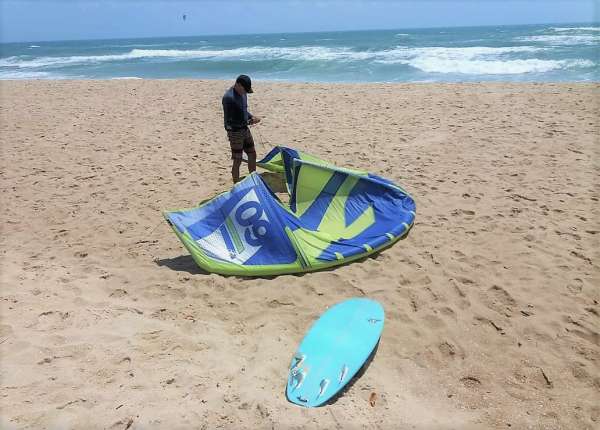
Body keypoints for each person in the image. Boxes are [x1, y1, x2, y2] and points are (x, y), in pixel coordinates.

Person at [222, 74, 261, 183]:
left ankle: (253, 180)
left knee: (252, 154)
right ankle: (236, 185)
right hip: (235, 132)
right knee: (237, 159)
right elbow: (232, 121)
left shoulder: (243, 94)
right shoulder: (228, 98)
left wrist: (251, 116)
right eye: (245, 90)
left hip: (244, 129)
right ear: (238, 85)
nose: (245, 93)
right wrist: (250, 121)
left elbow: (243, 110)